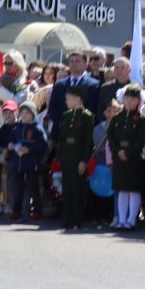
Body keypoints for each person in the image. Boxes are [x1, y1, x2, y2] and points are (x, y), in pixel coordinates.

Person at [107, 86, 145, 231]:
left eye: (133, 99)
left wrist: (128, 152)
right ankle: (122, 219)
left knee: (134, 189)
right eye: (127, 98)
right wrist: (118, 151)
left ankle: (132, 220)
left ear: (138, 101)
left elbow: (141, 139)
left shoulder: (142, 118)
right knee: (122, 189)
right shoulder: (117, 117)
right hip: (119, 157)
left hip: (134, 157)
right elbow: (111, 137)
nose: (129, 101)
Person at [54, 86, 94, 228]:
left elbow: (88, 140)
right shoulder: (67, 115)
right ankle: (68, 217)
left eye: (68, 98)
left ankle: (77, 218)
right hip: (67, 155)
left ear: (77, 99)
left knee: (78, 188)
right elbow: (62, 138)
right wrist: (60, 157)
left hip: (78, 154)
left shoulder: (86, 116)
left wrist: (84, 160)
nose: (66, 101)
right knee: (67, 187)